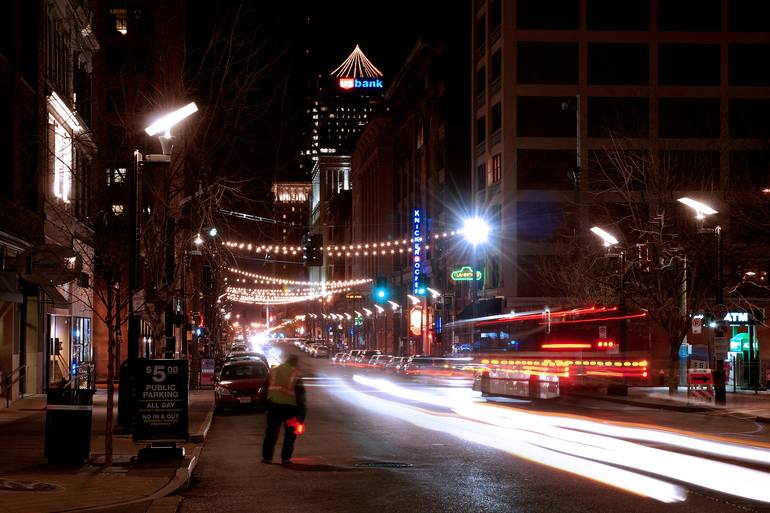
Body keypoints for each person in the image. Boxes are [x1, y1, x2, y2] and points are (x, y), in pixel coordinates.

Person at [262, 354, 306, 464]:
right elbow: (300, 397)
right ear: (295, 363)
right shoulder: (296, 374)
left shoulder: (274, 371)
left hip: (273, 405)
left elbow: (265, 388)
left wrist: (264, 405)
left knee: (271, 433)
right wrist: (302, 415)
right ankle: (286, 458)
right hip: (290, 408)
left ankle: (267, 457)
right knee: (290, 435)